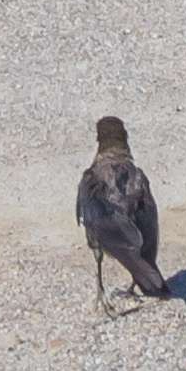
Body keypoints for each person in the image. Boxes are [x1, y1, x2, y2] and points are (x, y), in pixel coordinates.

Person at [77, 115, 172, 314]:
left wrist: (139, 265)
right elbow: (150, 224)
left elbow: (95, 226)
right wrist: (143, 265)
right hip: (131, 238)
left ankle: (102, 290)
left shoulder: (91, 179)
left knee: (99, 251)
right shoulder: (138, 178)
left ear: (99, 140)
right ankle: (142, 277)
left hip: (112, 236)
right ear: (125, 138)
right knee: (138, 258)